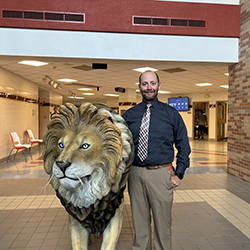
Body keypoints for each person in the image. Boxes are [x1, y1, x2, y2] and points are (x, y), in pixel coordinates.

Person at [123, 71, 191, 250]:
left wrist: (180, 173)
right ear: (139, 87)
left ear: (159, 85)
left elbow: (183, 144)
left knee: (163, 223)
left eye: (152, 83)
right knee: (139, 222)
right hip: (135, 174)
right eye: (144, 84)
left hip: (161, 174)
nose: (149, 87)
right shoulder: (129, 115)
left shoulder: (171, 114)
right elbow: (120, 146)